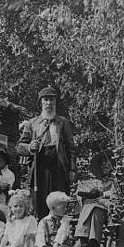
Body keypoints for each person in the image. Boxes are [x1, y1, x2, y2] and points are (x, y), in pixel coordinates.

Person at [17, 86, 76, 219]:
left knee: (59, 201)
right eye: (46, 100)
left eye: (52, 100)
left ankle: (59, 232)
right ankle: (41, 232)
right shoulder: (32, 123)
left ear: (56, 103)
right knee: (40, 201)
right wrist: (30, 147)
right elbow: (19, 146)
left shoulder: (63, 122)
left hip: (58, 166)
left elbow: (71, 148)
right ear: (41, 103)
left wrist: (72, 169)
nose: (49, 103)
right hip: (39, 167)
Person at [72, 150, 116, 247]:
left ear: (113, 163)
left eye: (107, 162)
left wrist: (102, 194)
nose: (104, 165)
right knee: (90, 205)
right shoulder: (98, 181)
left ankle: (88, 243)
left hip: (112, 211)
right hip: (98, 210)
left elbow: (117, 195)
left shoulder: (117, 179)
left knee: (95, 207)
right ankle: (88, 243)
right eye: (102, 163)